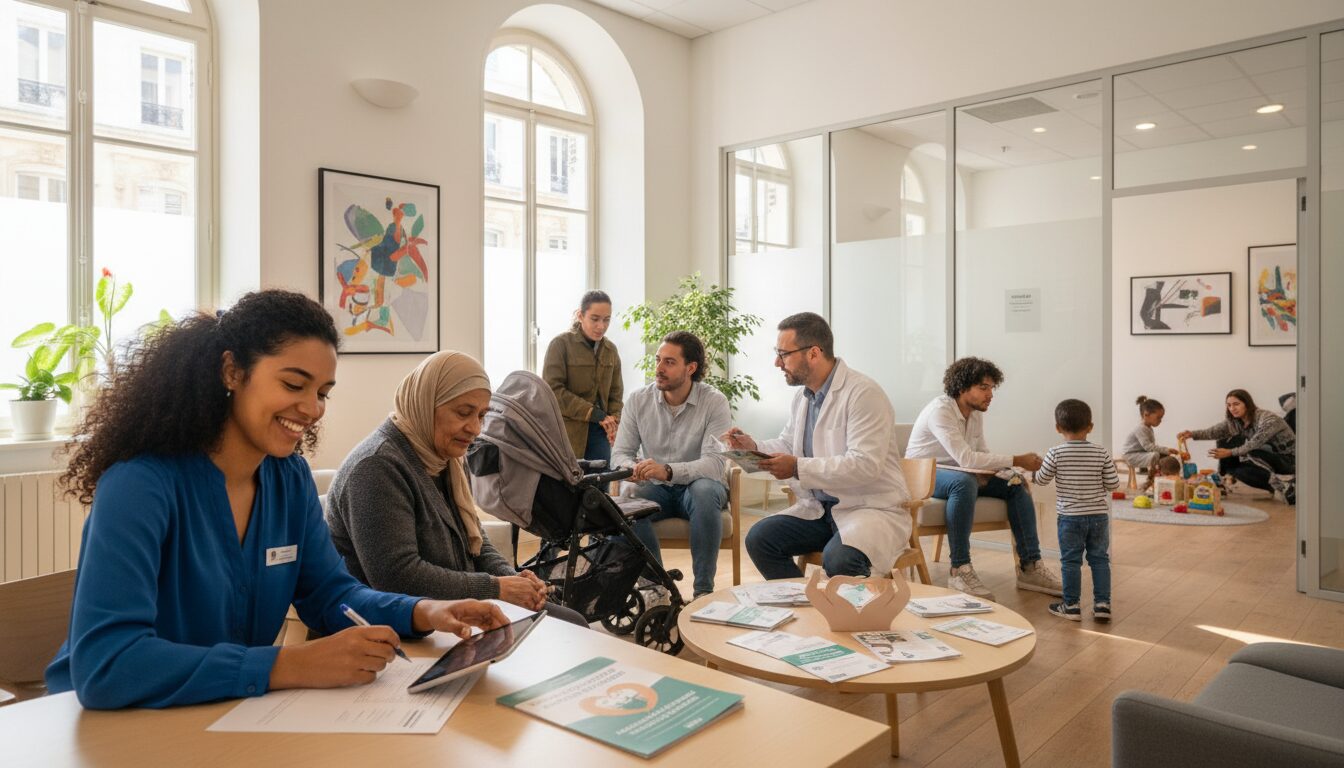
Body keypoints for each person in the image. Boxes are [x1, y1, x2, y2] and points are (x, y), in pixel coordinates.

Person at [46, 290, 507, 710]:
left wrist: (424, 611)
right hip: (115, 725)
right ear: (232, 371)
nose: (312, 408)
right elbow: (107, 663)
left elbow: (332, 595)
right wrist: (288, 665)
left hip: (226, 712)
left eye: (322, 392)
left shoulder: (288, 479)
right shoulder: (139, 486)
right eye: (293, 385)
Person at [326, 351, 588, 626]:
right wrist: (497, 588)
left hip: (454, 606)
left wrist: (511, 578)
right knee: (566, 630)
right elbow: (397, 578)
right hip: (398, 625)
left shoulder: (443, 456)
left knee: (573, 623)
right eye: (464, 413)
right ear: (427, 404)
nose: (475, 428)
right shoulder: (377, 467)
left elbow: (474, 538)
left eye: (482, 415)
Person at [723, 312, 911, 581]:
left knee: (840, 559)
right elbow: (790, 444)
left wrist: (797, 467)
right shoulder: (803, 397)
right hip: (821, 511)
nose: (777, 362)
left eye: (783, 354)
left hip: (868, 509)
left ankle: (857, 615)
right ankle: (806, 605)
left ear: (813, 353)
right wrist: (753, 446)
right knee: (760, 539)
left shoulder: (864, 394)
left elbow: (865, 465)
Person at [905, 357, 1062, 601]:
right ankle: (960, 568)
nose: (990, 394)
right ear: (962, 387)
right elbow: (966, 458)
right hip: (923, 473)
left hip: (959, 470)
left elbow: (981, 454)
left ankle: (1030, 566)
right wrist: (1017, 459)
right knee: (964, 483)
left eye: (991, 388)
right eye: (983, 387)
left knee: (1015, 482)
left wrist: (1004, 471)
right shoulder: (941, 412)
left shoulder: (975, 413)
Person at [612, 331, 731, 599]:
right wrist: (632, 468)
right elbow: (620, 453)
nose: (659, 369)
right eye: (658, 360)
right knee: (627, 496)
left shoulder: (714, 402)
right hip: (655, 489)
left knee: (705, 490)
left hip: (697, 488)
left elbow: (715, 464)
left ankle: (703, 592)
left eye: (669, 362)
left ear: (690, 368)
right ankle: (657, 587)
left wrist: (668, 470)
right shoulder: (638, 400)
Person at [1033, 400, 1119, 622]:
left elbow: (1041, 480)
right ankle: (1102, 604)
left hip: (1070, 518)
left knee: (1070, 561)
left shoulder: (1055, 453)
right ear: (1090, 426)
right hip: (1098, 516)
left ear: (1058, 427)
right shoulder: (1101, 452)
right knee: (1100, 559)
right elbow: (1113, 484)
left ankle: (1071, 606)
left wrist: (1033, 472)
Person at [542, 290, 623, 464]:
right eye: (595, 319)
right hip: (567, 433)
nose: (601, 326)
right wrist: (594, 413)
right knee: (570, 487)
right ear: (580, 315)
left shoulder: (611, 350)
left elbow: (616, 394)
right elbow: (554, 391)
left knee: (600, 487)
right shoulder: (560, 345)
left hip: (601, 432)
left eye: (606, 319)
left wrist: (613, 421)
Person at [1178, 388, 1296, 504]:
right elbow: (1214, 432)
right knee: (1233, 467)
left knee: (1249, 450)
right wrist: (1192, 434)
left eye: (1236, 404)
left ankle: (1288, 482)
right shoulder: (1237, 421)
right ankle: (1280, 488)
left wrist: (1230, 452)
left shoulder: (1268, 419)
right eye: (1229, 405)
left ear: (1247, 404)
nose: (1232, 409)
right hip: (1270, 457)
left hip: (1290, 461)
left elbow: (1255, 443)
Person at [1121, 395, 1179, 472]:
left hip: (1140, 453)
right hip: (1130, 456)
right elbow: (1148, 447)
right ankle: (1154, 470)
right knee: (1156, 455)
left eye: (1161, 418)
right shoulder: (1140, 428)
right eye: (1158, 417)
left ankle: (1157, 469)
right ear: (1146, 415)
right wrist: (1166, 450)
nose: (1160, 421)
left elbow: (1152, 447)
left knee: (1161, 454)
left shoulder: (1149, 429)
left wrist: (1166, 451)